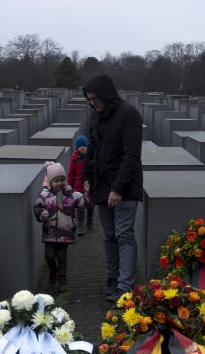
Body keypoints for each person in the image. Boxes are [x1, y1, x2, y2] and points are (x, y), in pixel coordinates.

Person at [81, 74, 143, 302]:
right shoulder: (95, 117)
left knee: (124, 235)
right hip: (101, 184)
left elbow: (132, 156)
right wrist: (86, 178)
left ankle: (126, 287)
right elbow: (92, 150)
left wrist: (117, 189)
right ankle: (112, 278)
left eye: (96, 98)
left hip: (124, 186)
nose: (93, 103)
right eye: (90, 100)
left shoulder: (129, 115)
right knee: (109, 236)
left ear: (107, 94)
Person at [32, 161, 85, 293]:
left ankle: (62, 280)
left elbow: (82, 202)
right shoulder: (44, 196)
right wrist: (41, 214)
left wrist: (87, 194)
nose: (60, 183)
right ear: (50, 182)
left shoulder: (70, 194)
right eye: (56, 180)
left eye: (62, 180)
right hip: (49, 232)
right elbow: (37, 208)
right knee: (49, 255)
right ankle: (52, 270)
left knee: (62, 256)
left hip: (65, 232)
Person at [66, 134, 93, 235]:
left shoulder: (91, 158)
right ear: (77, 148)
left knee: (90, 205)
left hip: (89, 187)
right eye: (80, 146)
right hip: (78, 187)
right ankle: (81, 225)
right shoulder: (75, 158)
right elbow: (71, 173)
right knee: (80, 207)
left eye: (84, 145)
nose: (82, 147)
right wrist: (70, 186)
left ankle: (89, 221)